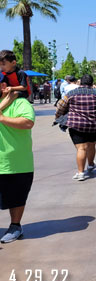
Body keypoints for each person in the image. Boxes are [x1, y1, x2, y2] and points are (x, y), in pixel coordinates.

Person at [0, 73, 35, 243]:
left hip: (17, 162)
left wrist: (2, 118)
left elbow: (28, 122)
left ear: (3, 86)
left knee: (16, 198)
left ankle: (15, 226)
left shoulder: (20, 103)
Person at [55, 74, 96, 181]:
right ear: (91, 83)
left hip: (76, 125)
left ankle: (80, 173)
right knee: (92, 144)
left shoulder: (71, 94)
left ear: (80, 83)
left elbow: (60, 106)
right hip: (94, 125)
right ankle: (91, 164)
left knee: (81, 148)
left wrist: (58, 116)